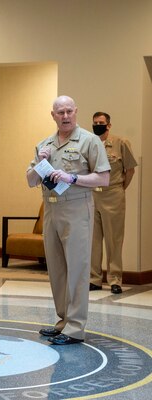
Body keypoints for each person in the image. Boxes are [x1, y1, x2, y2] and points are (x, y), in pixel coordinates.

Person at [26, 96, 110, 345]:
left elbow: (103, 178)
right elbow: (31, 180)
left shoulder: (89, 141)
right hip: (52, 210)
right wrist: (41, 161)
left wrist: (72, 178)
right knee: (57, 271)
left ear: (76, 112)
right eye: (60, 112)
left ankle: (75, 328)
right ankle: (63, 321)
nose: (65, 116)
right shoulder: (45, 144)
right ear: (52, 115)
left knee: (77, 270)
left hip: (76, 209)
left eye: (69, 111)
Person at [89, 112, 138, 294]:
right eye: (95, 123)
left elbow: (130, 170)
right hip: (92, 195)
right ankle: (94, 279)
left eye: (101, 122)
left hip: (113, 195)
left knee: (114, 240)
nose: (98, 125)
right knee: (93, 240)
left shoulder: (121, 143)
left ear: (108, 125)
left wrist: (119, 189)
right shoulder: (89, 143)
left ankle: (115, 279)